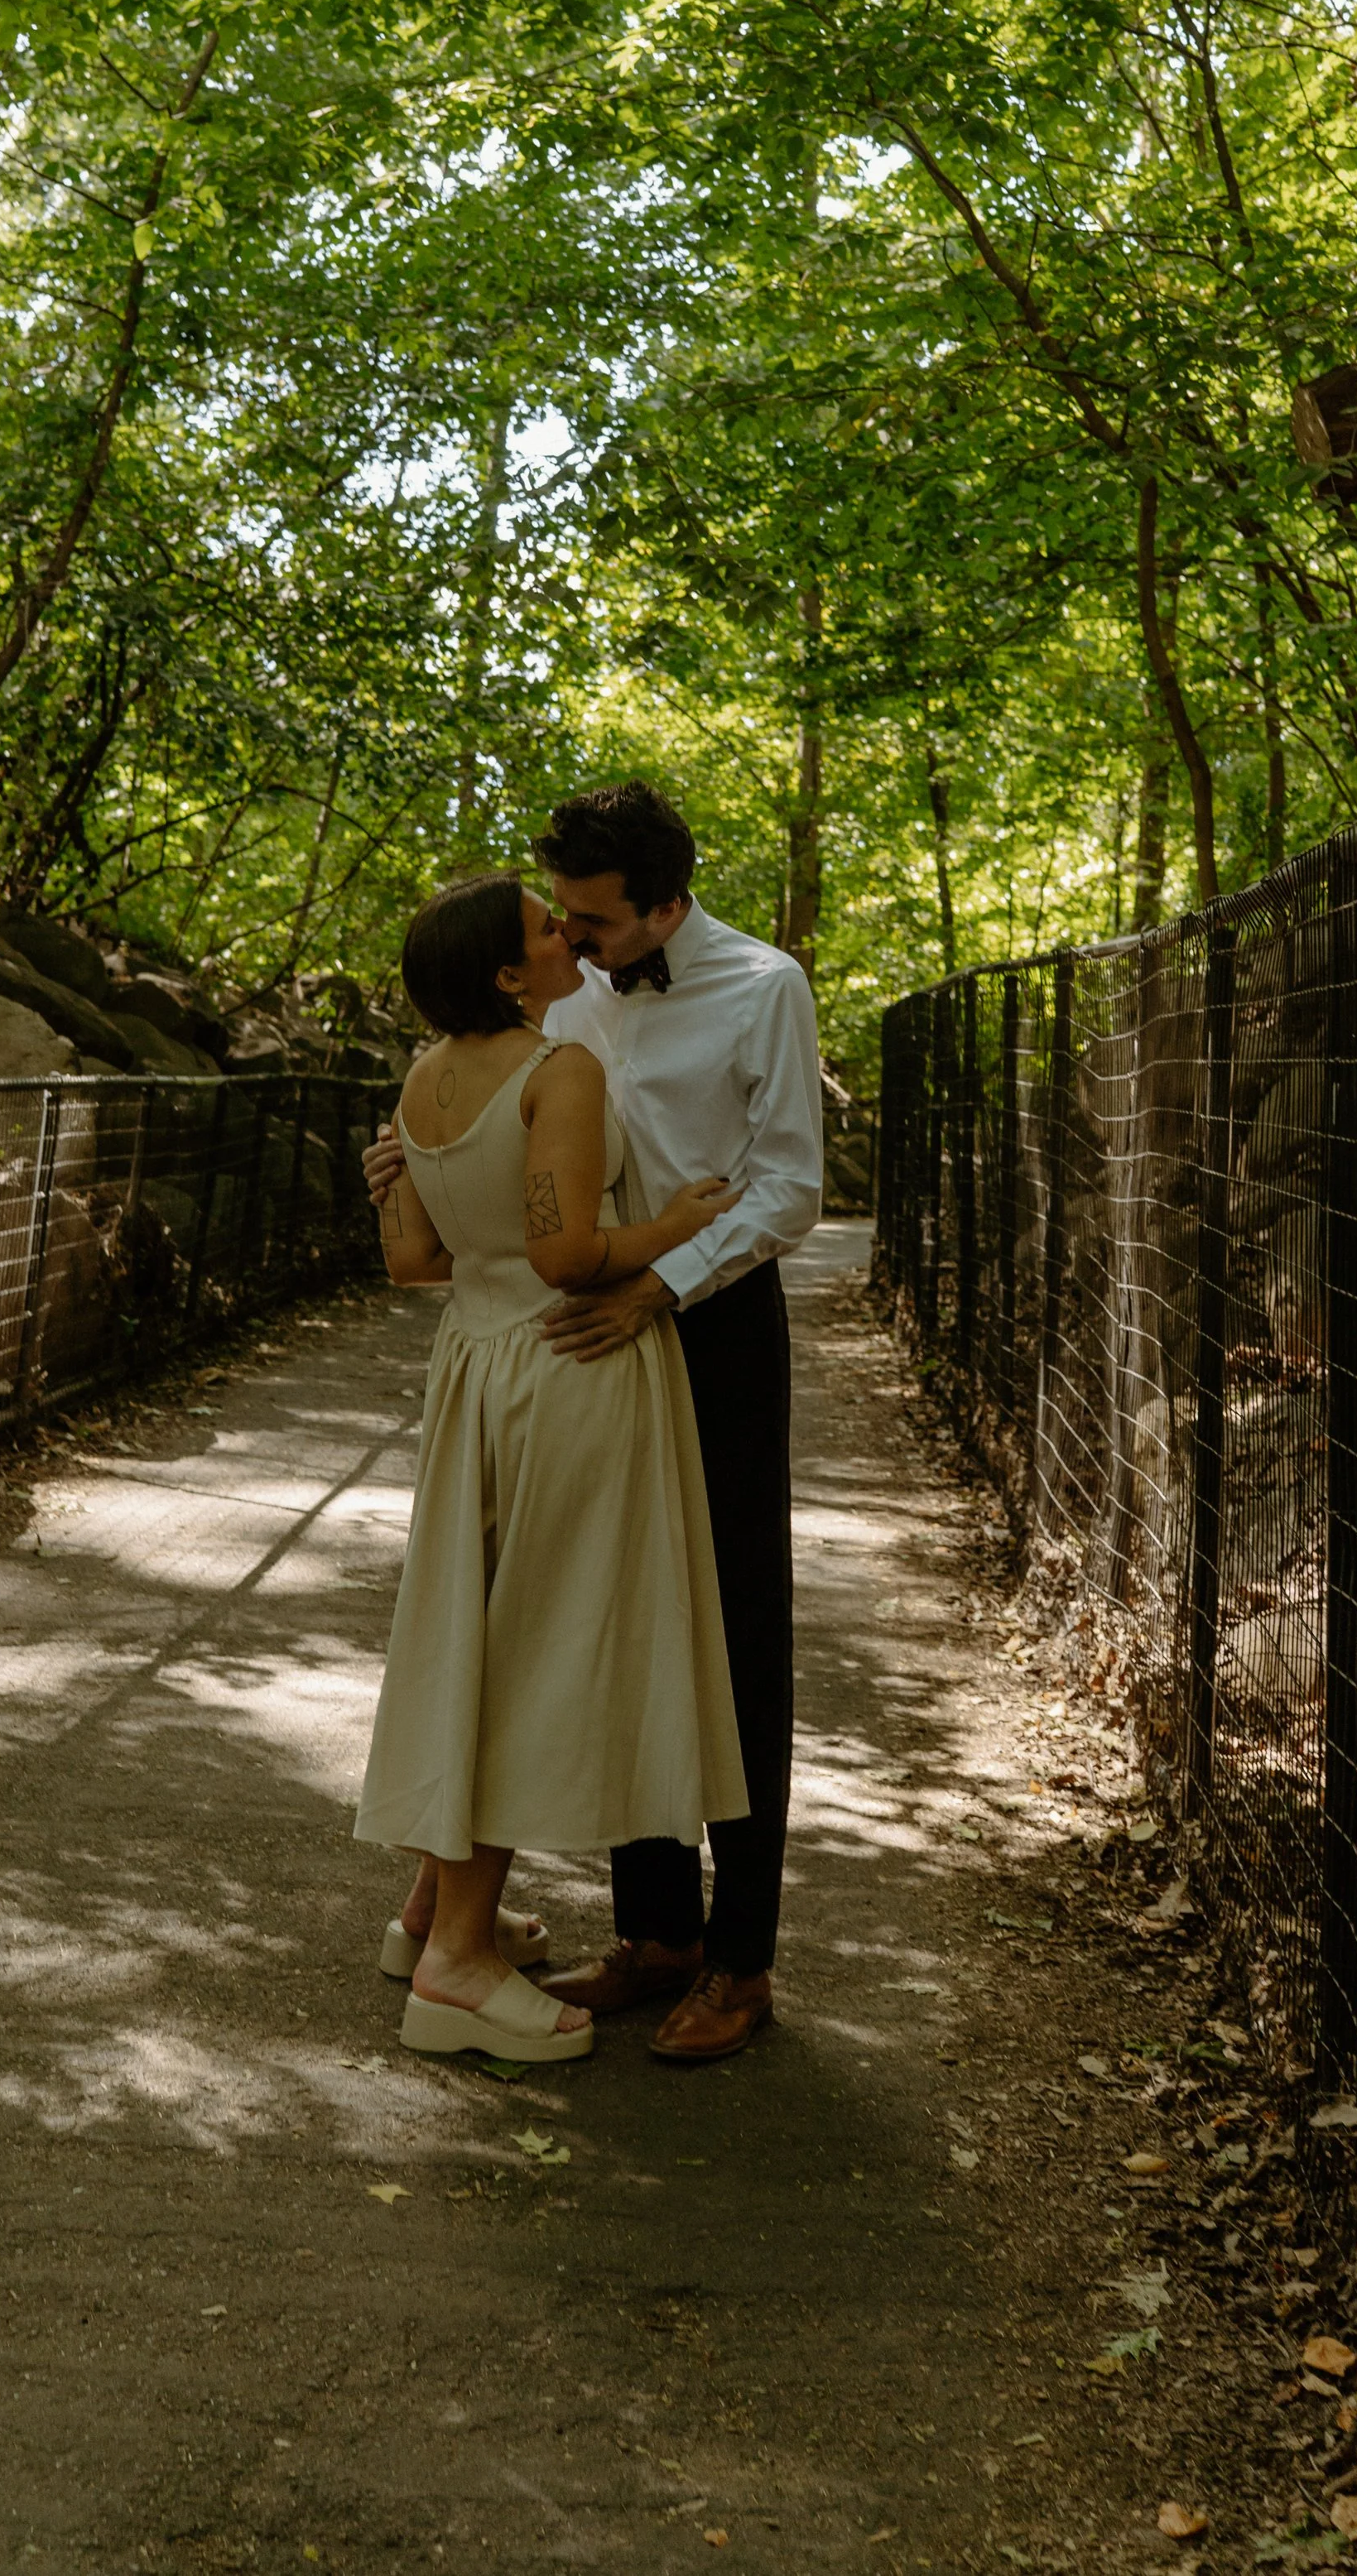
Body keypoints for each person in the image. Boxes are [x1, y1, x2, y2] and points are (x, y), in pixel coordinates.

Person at [367, 782, 824, 2062]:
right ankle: (658, 1932)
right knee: (617, 1621)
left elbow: (790, 1184)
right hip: (579, 1338)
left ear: (668, 903)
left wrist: (658, 1281)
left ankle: (741, 1958)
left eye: (597, 921)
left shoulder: (765, 985)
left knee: (734, 1633)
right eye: (558, 918)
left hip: (711, 1320)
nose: (573, 941)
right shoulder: (553, 983)